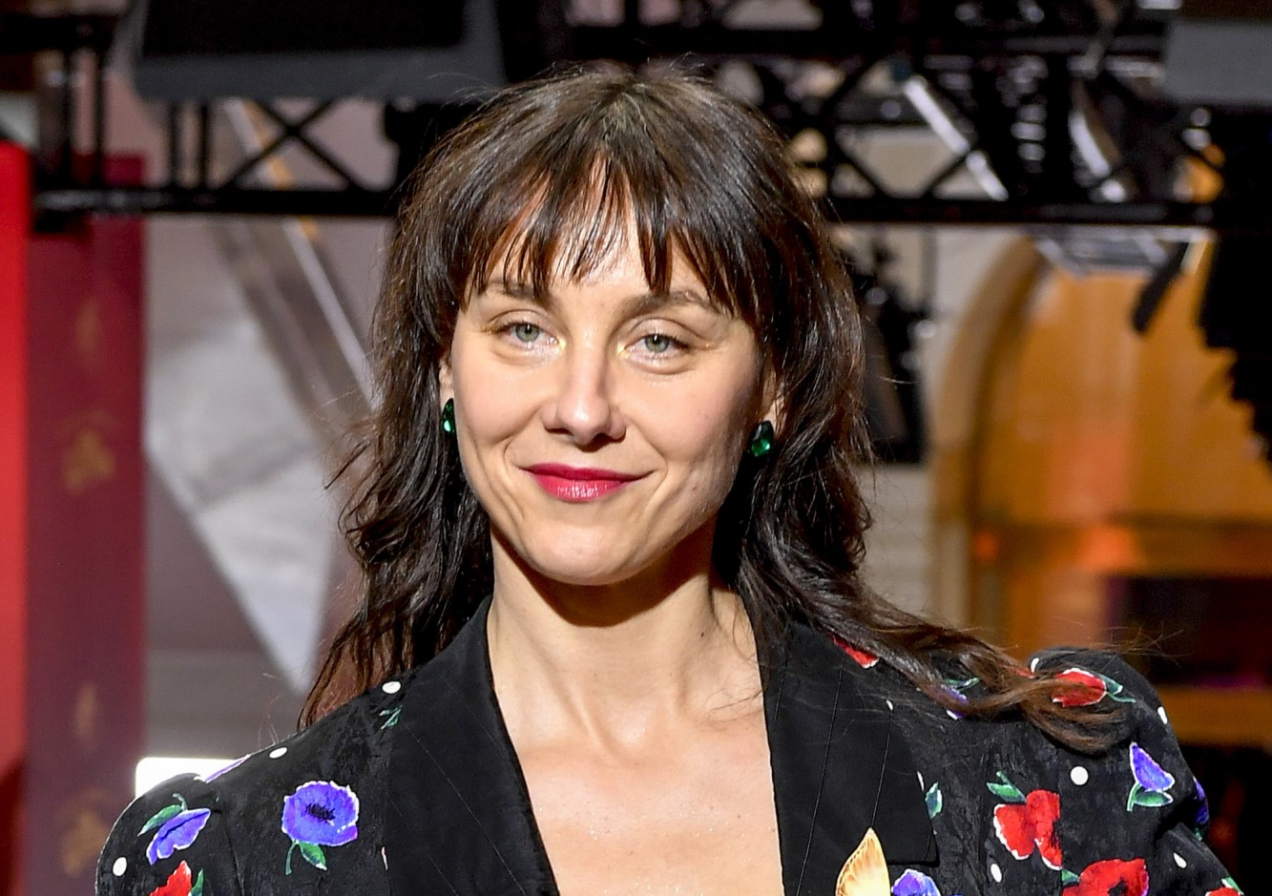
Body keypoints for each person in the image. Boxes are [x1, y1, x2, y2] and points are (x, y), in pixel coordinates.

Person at [97, 65, 1237, 896]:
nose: (581, 406)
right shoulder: (237, 860)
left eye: (660, 340)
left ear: (772, 387)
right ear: (445, 369)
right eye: (525, 328)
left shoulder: (1044, 788)